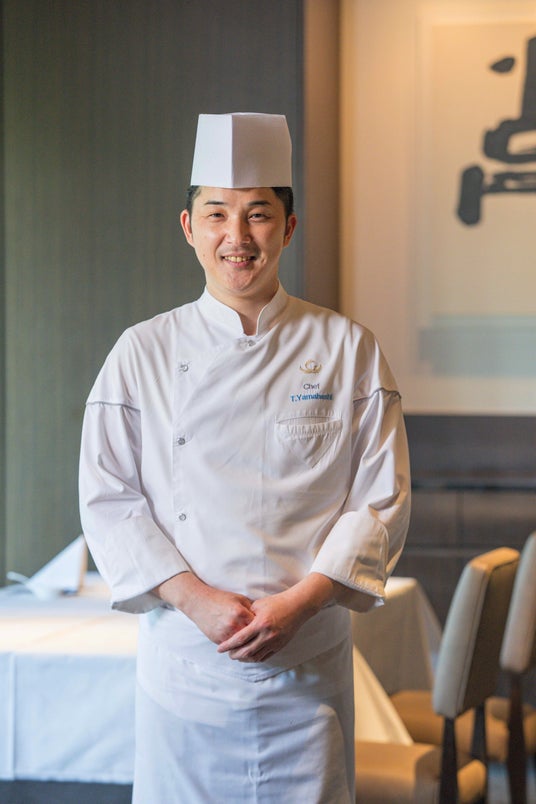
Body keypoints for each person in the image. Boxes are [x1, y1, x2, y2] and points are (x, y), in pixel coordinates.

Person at [79, 112, 411, 803]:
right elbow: (108, 498)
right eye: (217, 215)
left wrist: (300, 603)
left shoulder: (348, 348)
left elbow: (379, 500)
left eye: (258, 214)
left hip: (307, 673)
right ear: (188, 226)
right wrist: (192, 599)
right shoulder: (141, 353)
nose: (237, 237)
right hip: (184, 673)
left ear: (288, 228)